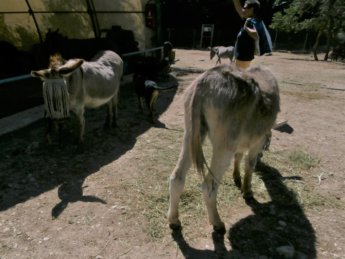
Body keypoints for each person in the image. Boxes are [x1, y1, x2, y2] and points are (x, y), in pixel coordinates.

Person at [233, 0, 272, 69]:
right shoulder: (250, 20)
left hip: (243, 57)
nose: (243, 9)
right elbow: (238, 8)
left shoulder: (253, 21)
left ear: (251, 9)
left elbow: (255, 34)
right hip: (242, 56)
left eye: (245, 8)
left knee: (241, 76)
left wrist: (246, 28)